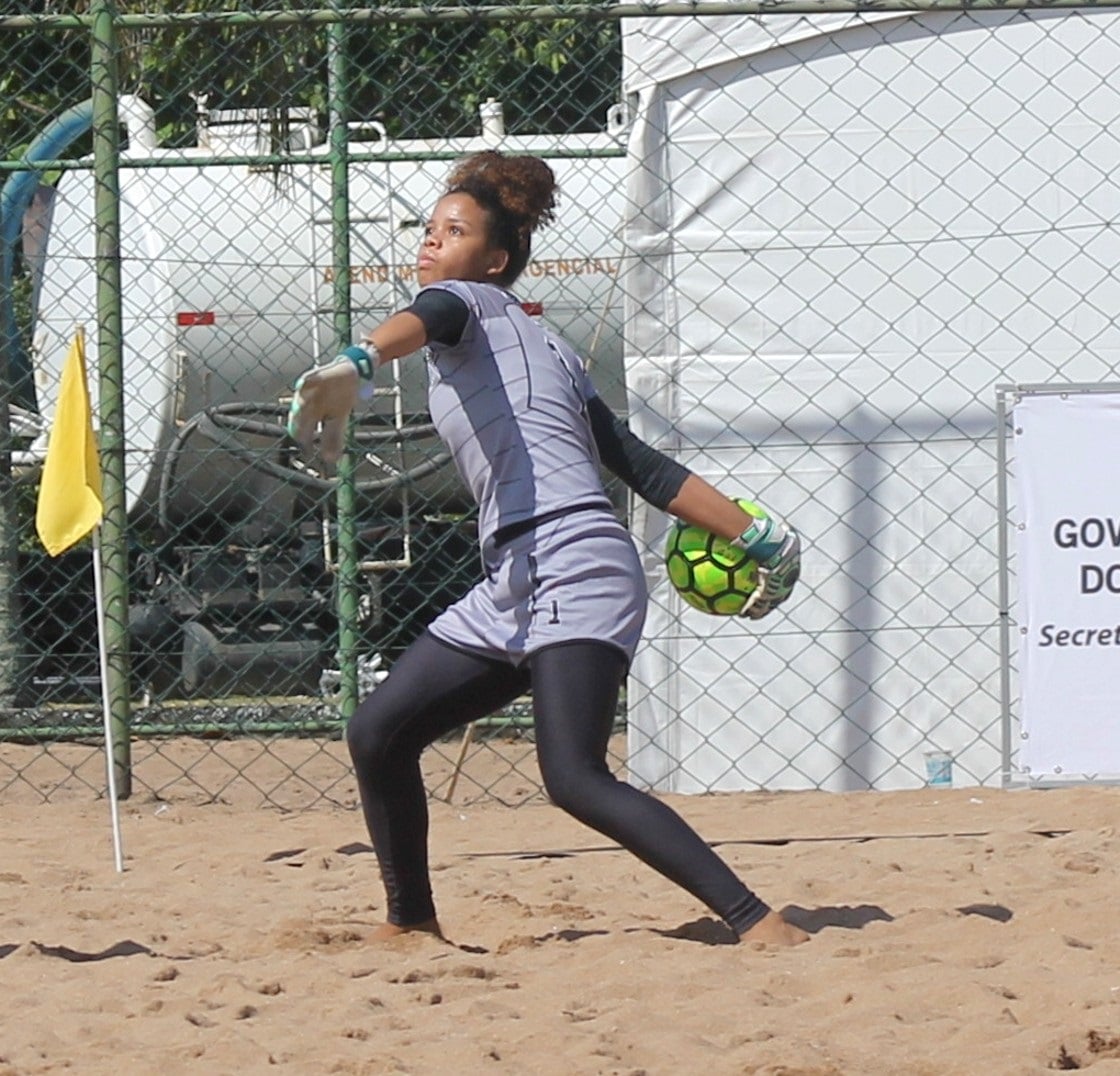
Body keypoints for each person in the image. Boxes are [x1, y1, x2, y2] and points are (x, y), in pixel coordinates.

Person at [286, 151, 807, 948]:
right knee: (378, 733)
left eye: (452, 231)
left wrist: (361, 359)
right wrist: (753, 530)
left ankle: (756, 920)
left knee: (574, 777)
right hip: (520, 576)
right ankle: (412, 924)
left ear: (494, 260)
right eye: (428, 229)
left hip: (569, 555)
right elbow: (641, 465)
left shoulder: (464, 303)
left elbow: (429, 314)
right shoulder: (548, 347)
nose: (430, 243)